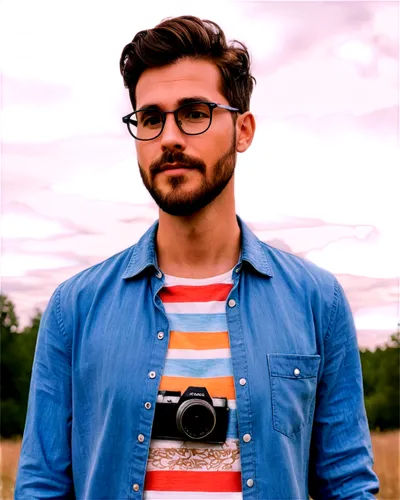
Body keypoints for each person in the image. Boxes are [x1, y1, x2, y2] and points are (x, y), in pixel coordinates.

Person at [15, 14, 379, 500]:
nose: (168, 137)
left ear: (243, 130)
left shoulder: (316, 301)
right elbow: (41, 487)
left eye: (193, 112)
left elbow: (348, 484)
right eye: (150, 118)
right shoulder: (74, 309)